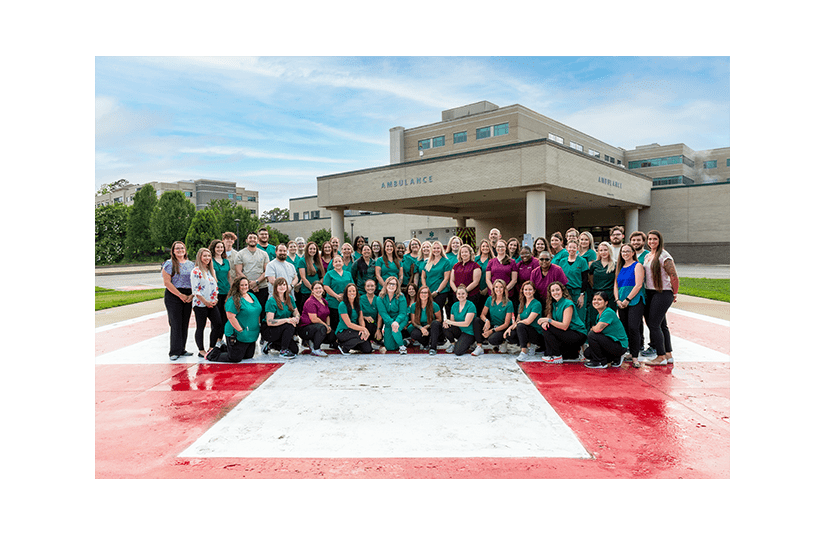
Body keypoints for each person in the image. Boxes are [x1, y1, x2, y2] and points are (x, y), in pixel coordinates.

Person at [640, 230, 679, 366]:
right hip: (650, 292)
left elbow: (674, 276)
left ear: (660, 240)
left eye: (654, 239)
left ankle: (660, 356)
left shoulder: (664, 256)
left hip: (662, 292)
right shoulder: (648, 255)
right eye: (649, 239)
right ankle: (668, 354)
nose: (651, 242)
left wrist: (675, 293)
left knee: (654, 324)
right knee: (662, 325)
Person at [207, 277, 262, 363]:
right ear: (237, 286)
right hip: (237, 333)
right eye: (242, 285)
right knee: (235, 358)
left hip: (251, 334)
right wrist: (241, 331)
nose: (244, 287)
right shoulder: (233, 299)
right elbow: (231, 317)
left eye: (246, 285)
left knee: (248, 356)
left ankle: (225, 348)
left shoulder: (252, 296)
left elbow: (257, 311)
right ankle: (213, 354)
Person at [537, 281, 588, 364]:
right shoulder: (553, 304)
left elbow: (564, 326)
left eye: (557, 290)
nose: (555, 292)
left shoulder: (568, 303)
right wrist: (545, 321)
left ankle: (556, 356)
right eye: (552, 291)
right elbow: (549, 318)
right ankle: (573, 351)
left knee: (548, 328)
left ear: (562, 291)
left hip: (577, 334)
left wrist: (548, 320)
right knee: (545, 326)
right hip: (566, 334)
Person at [162, 241, 195, 360]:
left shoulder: (191, 264)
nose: (180, 250)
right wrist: (180, 295)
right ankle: (174, 351)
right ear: (173, 251)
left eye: (182, 248)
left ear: (185, 250)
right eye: (177, 248)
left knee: (184, 322)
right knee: (175, 323)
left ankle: (182, 349)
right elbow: (167, 282)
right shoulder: (169, 264)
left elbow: (195, 281)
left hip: (188, 295)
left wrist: (191, 295)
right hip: (174, 295)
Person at [615, 244, 645, 367]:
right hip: (621, 301)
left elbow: (638, 285)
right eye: (623, 251)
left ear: (633, 253)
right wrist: (617, 300)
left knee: (633, 327)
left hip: (635, 300)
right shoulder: (620, 267)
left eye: (628, 251)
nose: (625, 253)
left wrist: (628, 299)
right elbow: (615, 285)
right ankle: (628, 352)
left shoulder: (637, 266)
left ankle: (635, 357)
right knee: (625, 328)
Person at [190, 247, 222, 359]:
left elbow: (215, 287)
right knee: (201, 326)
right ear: (200, 257)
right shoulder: (196, 271)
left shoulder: (211, 271)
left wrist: (215, 299)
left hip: (212, 303)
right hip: (200, 304)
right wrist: (205, 301)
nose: (207, 258)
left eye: (209, 256)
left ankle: (211, 347)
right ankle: (201, 350)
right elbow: (195, 290)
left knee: (218, 324)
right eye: (205, 256)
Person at [584, 291, 629, 369]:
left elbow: (597, 329)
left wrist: (593, 328)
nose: (596, 301)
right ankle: (615, 358)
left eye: (599, 299)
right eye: (594, 299)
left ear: (606, 302)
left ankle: (600, 363)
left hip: (619, 345)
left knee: (592, 334)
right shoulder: (599, 314)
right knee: (588, 353)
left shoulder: (608, 312)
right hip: (611, 343)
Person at [234, 232, 270, 326]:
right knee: (247, 311)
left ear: (258, 241)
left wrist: (257, 282)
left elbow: (267, 271)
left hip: (262, 287)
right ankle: (247, 335)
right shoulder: (240, 254)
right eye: (250, 238)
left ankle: (263, 337)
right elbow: (238, 271)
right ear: (246, 240)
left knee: (262, 311)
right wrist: (250, 284)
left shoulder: (264, 254)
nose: (252, 239)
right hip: (246, 289)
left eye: (254, 238)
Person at [505, 280, 545, 362]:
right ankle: (529, 345)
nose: (528, 292)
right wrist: (510, 328)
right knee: (510, 335)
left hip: (537, 334)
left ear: (534, 291)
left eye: (530, 289)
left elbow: (528, 321)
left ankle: (524, 352)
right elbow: (518, 320)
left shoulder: (536, 304)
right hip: (525, 330)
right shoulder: (521, 304)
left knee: (521, 326)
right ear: (522, 291)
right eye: (525, 290)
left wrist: (517, 324)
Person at [261, 277, 300, 358]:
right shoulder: (271, 301)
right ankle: (283, 350)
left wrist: (296, 318)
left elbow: (296, 313)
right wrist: (287, 320)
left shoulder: (290, 298)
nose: (282, 287)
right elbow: (270, 322)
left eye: (284, 285)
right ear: (275, 287)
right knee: (289, 325)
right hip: (270, 330)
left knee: (294, 350)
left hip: (283, 328)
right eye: (279, 285)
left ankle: (272, 345)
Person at [297, 281, 336, 357]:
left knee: (332, 336)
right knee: (322, 328)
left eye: (320, 288)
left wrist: (328, 326)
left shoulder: (324, 301)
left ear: (323, 289)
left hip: (317, 326)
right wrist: (325, 325)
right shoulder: (310, 302)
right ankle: (316, 349)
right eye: (316, 288)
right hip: (305, 328)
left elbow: (327, 315)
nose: (318, 290)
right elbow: (314, 319)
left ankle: (312, 341)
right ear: (312, 291)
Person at [443, 285, 484, 356]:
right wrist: (446, 322)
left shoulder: (471, 305)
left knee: (458, 352)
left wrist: (449, 321)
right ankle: (453, 344)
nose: (461, 295)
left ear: (466, 295)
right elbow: (452, 322)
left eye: (463, 294)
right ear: (456, 295)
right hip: (459, 331)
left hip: (469, 332)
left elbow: (466, 323)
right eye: (459, 294)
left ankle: (471, 343)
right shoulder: (454, 305)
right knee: (445, 327)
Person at [558, 239, 590, 324]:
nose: (572, 249)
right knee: (567, 316)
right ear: (566, 248)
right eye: (570, 247)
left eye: (574, 247)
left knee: (580, 316)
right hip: (566, 292)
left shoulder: (582, 261)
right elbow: (560, 278)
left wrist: (582, 295)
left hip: (578, 292)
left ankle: (582, 335)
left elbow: (585, 279)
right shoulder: (562, 261)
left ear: (577, 249)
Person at [335, 283, 373, 354]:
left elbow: (361, 319)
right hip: (343, 331)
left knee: (367, 349)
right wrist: (364, 329)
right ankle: (343, 347)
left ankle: (352, 344)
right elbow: (349, 324)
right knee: (360, 337)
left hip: (354, 330)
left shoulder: (358, 304)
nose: (352, 293)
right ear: (346, 293)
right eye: (349, 291)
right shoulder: (342, 305)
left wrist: (363, 330)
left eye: (354, 291)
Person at [586, 242, 617, 328]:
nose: (603, 252)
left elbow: (617, 281)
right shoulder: (595, 264)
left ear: (609, 251)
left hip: (610, 295)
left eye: (605, 250)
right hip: (597, 294)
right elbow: (590, 277)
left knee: (609, 319)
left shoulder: (615, 264)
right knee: (594, 318)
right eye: (601, 250)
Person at [479, 279, 514, 353]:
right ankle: (478, 346)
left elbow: (506, 324)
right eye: (496, 287)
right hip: (492, 325)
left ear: (504, 289)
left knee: (492, 339)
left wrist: (491, 331)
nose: (498, 289)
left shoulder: (509, 303)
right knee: (477, 321)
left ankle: (503, 342)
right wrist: (486, 321)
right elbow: (482, 315)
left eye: (501, 287)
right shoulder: (489, 299)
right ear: (493, 288)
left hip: (502, 328)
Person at [376, 276, 409, 354]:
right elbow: (383, 313)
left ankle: (402, 347)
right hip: (388, 321)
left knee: (395, 330)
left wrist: (396, 322)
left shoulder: (401, 296)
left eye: (394, 284)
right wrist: (391, 322)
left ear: (397, 286)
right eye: (389, 284)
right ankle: (404, 342)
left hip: (401, 319)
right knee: (390, 347)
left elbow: (403, 313)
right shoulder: (380, 297)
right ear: (386, 285)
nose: (391, 286)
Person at [323, 254, 355, 332]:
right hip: (333, 302)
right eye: (335, 262)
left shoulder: (348, 274)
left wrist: (345, 296)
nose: (338, 263)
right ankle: (334, 342)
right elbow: (326, 287)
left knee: (346, 321)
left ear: (343, 263)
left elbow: (352, 286)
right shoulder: (329, 274)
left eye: (339, 261)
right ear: (333, 264)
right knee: (335, 321)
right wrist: (336, 296)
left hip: (346, 301)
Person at [408, 285, 444, 355]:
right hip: (420, 327)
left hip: (431, 327)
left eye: (425, 293)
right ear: (418, 294)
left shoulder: (434, 305)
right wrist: (421, 328)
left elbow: (439, 319)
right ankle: (425, 344)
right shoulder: (414, 306)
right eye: (422, 292)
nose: (423, 294)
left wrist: (427, 327)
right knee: (414, 334)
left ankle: (433, 348)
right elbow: (413, 322)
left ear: (428, 294)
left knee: (435, 324)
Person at [420, 240, 452, 311]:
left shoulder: (446, 262)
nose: (436, 250)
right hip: (428, 291)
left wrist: (437, 291)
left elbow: (446, 279)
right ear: (432, 250)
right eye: (434, 248)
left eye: (438, 248)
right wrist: (426, 289)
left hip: (441, 292)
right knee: (428, 311)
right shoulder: (427, 262)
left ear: (441, 249)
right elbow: (423, 277)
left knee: (438, 310)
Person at [450, 244, 483, 312]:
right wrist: (457, 292)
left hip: (472, 295)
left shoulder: (475, 266)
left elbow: (475, 282)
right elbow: (451, 281)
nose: (464, 254)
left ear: (470, 253)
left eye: (466, 252)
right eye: (462, 252)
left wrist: (464, 292)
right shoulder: (456, 266)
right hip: (457, 296)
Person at [209, 239, 231, 331]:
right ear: (213, 248)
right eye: (217, 247)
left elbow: (229, 277)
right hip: (216, 292)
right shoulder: (210, 261)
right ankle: (215, 340)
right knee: (216, 319)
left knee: (225, 317)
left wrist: (231, 291)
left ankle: (221, 340)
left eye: (222, 247)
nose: (220, 249)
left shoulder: (226, 261)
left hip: (226, 291)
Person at [296, 241, 325, 312]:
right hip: (307, 291)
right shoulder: (302, 261)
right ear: (307, 250)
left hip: (318, 292)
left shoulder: (318, 261)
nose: (312, 251)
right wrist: (312, 289)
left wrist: (318, 288)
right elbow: (303, 277)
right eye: (310, 249)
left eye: (314, 249)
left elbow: (322, 276)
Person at [359, 279, 383, 350]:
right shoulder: (361, 298)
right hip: (364, 325)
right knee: (368, 322)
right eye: (368, 286)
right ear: (365, 288)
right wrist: (365, 317)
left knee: (379, 338)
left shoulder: (378, 299)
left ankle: (375, 341)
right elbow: (358, 314)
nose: (370, 288)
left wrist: (378, 330)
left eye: (372, 286)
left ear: (375, 287)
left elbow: (380, 315)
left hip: (376, 325)